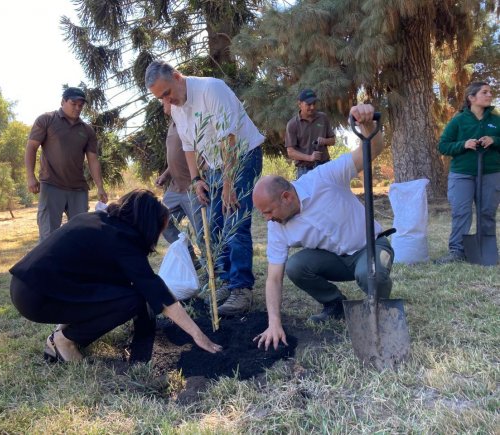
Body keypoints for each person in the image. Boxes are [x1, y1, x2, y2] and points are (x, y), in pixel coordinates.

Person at [9, 189, 222, 362]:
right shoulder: (122, 241)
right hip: (38, 297)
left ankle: (62, 330)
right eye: (159, 230)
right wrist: (197, 334)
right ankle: (65, 339)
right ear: (148, 225)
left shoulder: (100, 221)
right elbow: (155, 292)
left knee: (121, 289)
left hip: (24, 287)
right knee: (132, 299)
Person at [252, 103, 394, 351]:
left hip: (372, 245)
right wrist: (274, 322)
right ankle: (335, 305)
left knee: (370, 274)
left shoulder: (324, 178)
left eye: (268, 211)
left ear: (286, 197)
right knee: (296, 266)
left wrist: (367, 124)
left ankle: (380, 307)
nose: (267, 219)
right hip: (337, 260)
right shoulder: (278, 226)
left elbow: (373, 149)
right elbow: (274, 278)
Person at [145, 60, 264, 316]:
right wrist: (197, 179)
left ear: (177, 76)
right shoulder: (177, 107)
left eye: (167, 93)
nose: (167, 102)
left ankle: (241, 289)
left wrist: (229, 184)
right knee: (213, 224)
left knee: (234, 220)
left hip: (242, 156)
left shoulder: (212, 89)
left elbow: (229, 140)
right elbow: (189, 147)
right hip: (215, 166)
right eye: (160, 98)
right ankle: (224, 282)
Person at [25, 87, 108, 242]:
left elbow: (93, 159)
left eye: (81, 105)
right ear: (63, 101)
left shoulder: (87, 130)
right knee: (49, 237)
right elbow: (31, 147)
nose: (77, 108)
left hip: (78, 189)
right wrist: (30, 176)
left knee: (82, 236)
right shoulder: (46, 120)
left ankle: (77, 266)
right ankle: (49, 266)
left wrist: (100, 186)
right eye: (73, 103)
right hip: (51, 185)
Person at [436, 81, 500, 264]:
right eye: (484, 92)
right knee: (461, 212)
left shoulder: (496, 121)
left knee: (487, 211)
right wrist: (463, 144)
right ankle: (457, 251)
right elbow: (443, 145)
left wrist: (494, 140)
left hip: (491, 173)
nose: (490, 95)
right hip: (462, 174)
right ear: (471, 97)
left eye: (490, 92)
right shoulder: (458, 120)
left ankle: (486, 250)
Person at [155, 100, 203, 268]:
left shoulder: (189, 120)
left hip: (192, 188)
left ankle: (214, 269)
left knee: (202, 232)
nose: (163, 104)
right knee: (159, 219)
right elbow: (176, 156)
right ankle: (190, 257)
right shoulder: (172, 125)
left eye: (165, 101)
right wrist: (165, 174)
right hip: (175, 188)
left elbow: (197, 151)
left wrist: (198, 180)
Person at [285, 89, 336, 179]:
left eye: (314, 103)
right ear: (300, 104)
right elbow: (291, 152)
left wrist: (324, 141)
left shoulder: (323, 118)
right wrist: (309, 158)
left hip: (324, 167)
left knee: (327, 193)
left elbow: (333, 141)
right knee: (307, 194)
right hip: (305, 171)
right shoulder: (292, 124)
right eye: (308, 104)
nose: (312, 107)